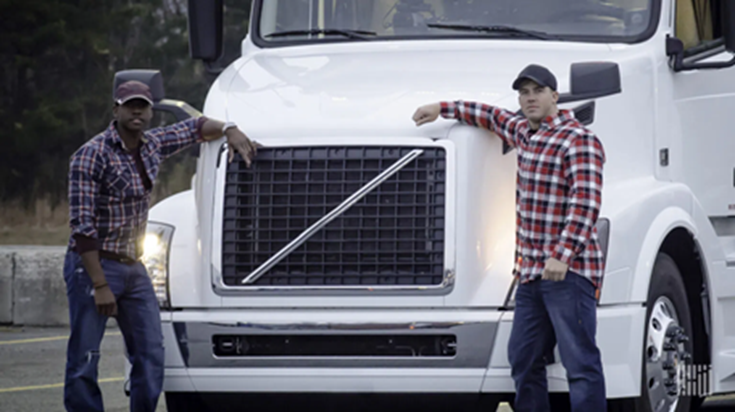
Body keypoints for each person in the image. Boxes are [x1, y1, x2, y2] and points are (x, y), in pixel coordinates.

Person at [412, 64, 607, 411]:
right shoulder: (522, 131)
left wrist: (563, 254)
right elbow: (489, 115)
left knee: (580, 363)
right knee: (523, 359)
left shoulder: (578, 140)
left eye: (537, 91)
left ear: (555, 96)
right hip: (530, 274)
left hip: (569, 273)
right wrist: (442, 108)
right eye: (524, 93)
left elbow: (586, 202)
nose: (530, 98)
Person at [63, 80, 258, 412]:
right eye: (129, 105)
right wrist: (99, 285)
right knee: (86, 354)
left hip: (133, 266)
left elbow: (195, 127)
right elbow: (82, 228)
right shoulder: (91, 155)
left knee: (152, 350)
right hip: (94, 266)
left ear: (151, 111)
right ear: (116, 110)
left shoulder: (153, 144)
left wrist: (230, 128)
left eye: (143, 105)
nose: (136, 111)